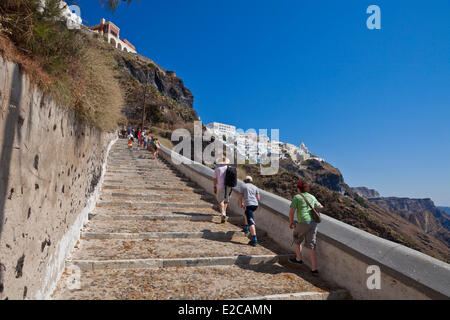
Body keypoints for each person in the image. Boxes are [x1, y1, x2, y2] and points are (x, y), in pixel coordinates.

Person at [288, 181, 324, 276]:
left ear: (298, 188)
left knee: (296, 237)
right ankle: (314, 269)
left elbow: (291, 212)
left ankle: (299, 259)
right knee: (311, 244)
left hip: (303, 221)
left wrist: (291, 222)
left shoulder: (297, 197)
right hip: (314, 223)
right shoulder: (312, 197)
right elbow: (320, 206)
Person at [238, 176, 260, 246]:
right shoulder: (255, 187)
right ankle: (246, 227)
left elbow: (240, 197)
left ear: (245, 180)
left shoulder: (243, 186)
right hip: (255, 205)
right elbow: (258, 198)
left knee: (251, 221)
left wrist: (241, 203)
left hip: (249, 205)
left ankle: (254, 239)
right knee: (246, 213)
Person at [213, 155, 231, 223]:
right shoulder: (229, 168)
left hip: (220, 186)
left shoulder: (217, 169)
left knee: (220, 201)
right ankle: (224, 213)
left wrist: (214, 187)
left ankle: (223, 213)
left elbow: (215, 179)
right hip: (229, 186)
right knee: (226, 200)